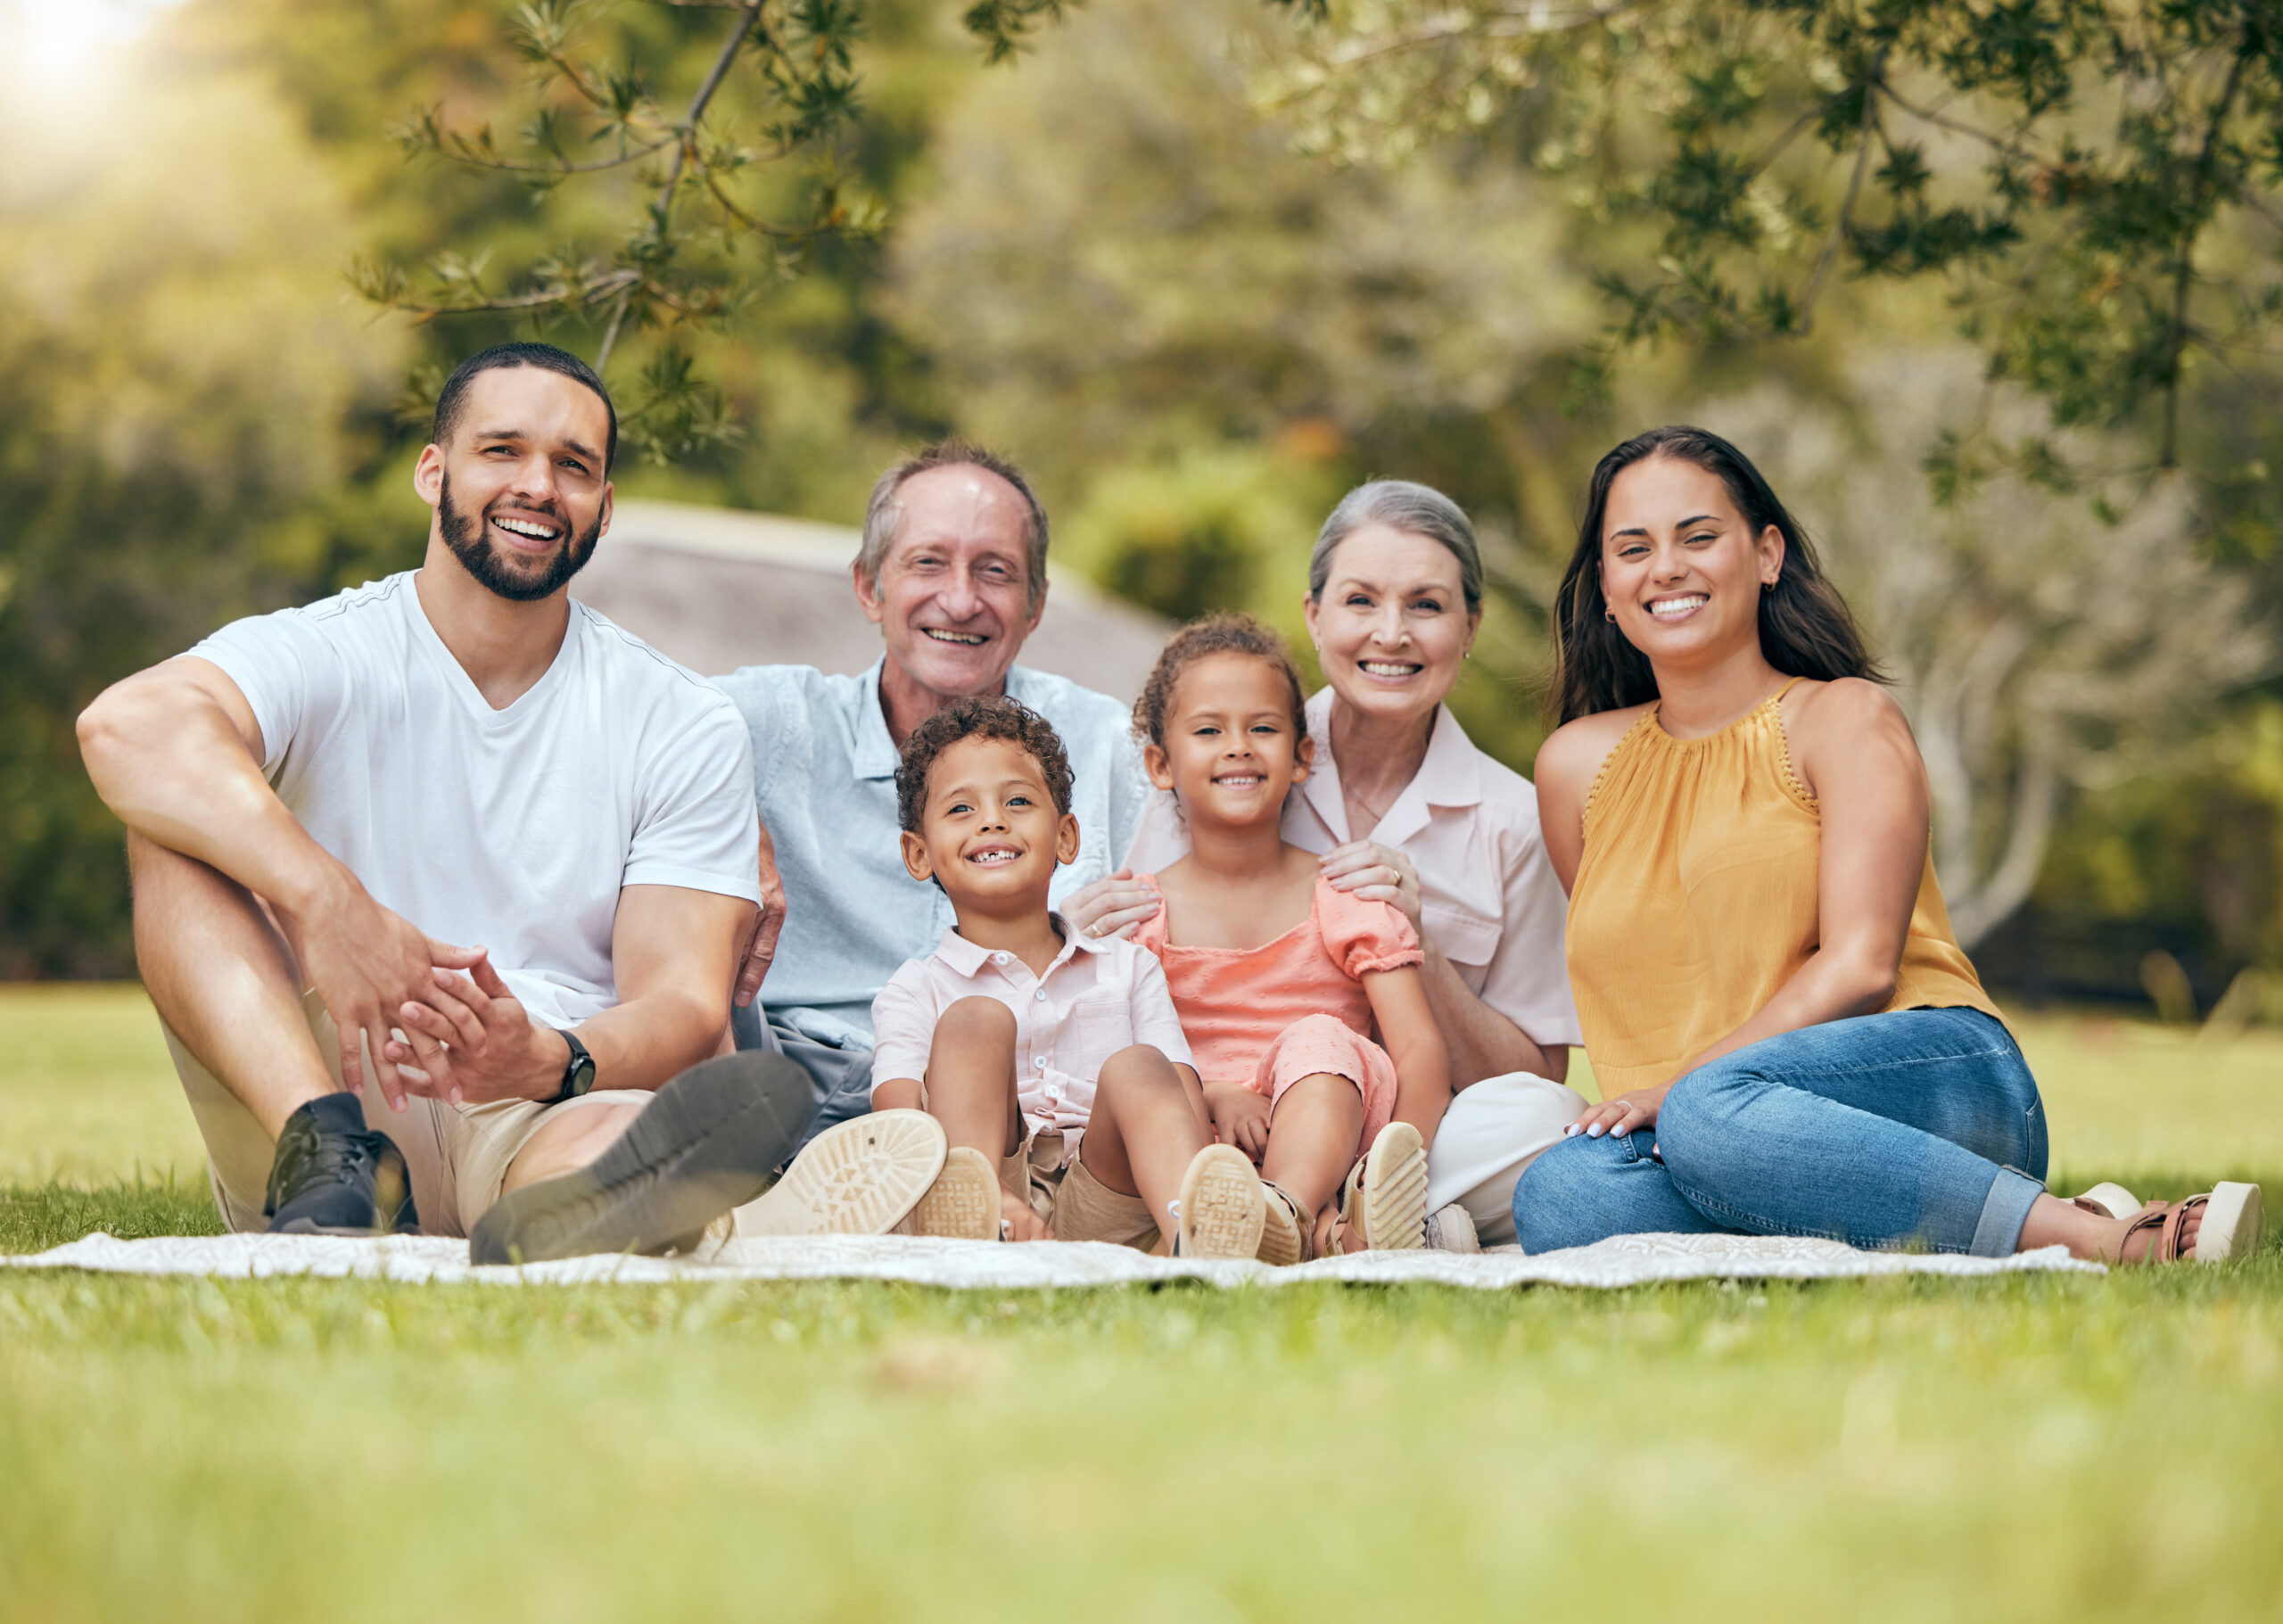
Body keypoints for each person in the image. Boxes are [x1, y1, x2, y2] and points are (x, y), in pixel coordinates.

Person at [76, 342, 813, 1263]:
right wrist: (330, 903)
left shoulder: (680, 718)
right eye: (502, 451)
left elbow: (683, 1004)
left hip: (528, 1080)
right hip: (315, 1078)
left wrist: (552, 1057)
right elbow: (126, 728)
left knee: (593, 1142)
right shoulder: (330, 651)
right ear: (435, 474)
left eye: (573, 466)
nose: (539, 485)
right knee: (174, 818)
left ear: (605, 507)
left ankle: (586, 1203)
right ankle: (333, 1161)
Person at [1512, 424, 2264, 1265]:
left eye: (1699, 536)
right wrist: (1683, 1102)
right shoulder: (1575, 768)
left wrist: (1685, 1090)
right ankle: (1925, 1207)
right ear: (1608, 590)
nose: (1667, 567)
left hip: (1933, 1070)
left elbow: (1864, 967)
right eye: (1633, 548)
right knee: (1562, 1193)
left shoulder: (1845, 719)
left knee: (1705, 1112)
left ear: (1766, 554)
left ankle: (2094, 1234)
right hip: (1719, 1129)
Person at [1080, 481, 1584, 1251]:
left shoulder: (1511, 818)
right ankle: (1338, 1227)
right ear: (1314, 615)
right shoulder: (1229, 755)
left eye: (1426, 605)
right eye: (1360, 601)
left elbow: (1537, 1072)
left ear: (1470, 626)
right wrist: (1076, 938)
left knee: (1543, 1121)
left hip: (1403, 1118)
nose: (1392, 633)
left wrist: (1424, 946)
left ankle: (1336, 1206)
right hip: (1206, 1107)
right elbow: (1132, 994)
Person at [714, 442, 1149, 1159]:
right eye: (927, 562)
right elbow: (619, 717)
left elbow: (1243, 817)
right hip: (796, 1087)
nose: (960, 599)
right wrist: (722, 802)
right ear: (868, 589)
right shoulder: (775, 722)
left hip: (1025, 1111)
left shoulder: (1105, 744)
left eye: (995, 571)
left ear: (1035, 606)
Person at [867, 696, 1270, 1258]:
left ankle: (1195, 1241)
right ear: (919, 854)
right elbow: (899, 1122)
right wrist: (984, 1196)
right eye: (961, 810)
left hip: (1109, 1194)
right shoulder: (915, 989)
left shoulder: (1127, 967)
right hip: (982, 1191)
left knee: (1138, 1065)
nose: (992, 819)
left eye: (1018, 800)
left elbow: (1177, 1098)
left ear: (1065, 837)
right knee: (973, 1022)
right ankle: (974, 1224)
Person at [1124, 615, 1452, 1263]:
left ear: (1302, 757)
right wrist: (1219, 1094)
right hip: (1195, 1147)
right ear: (1160, 764)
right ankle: (1312, 1235)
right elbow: (1126, 1063)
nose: (1239, 746)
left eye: (1264, 728)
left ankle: (1285, 1213)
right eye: (1209, 729)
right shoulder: (1141, 911)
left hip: (1328, 1124)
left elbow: (1418, 1047)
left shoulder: (1344, 894)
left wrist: (1391, 1167)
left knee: (1318, 1033)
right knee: (1152, 1069)